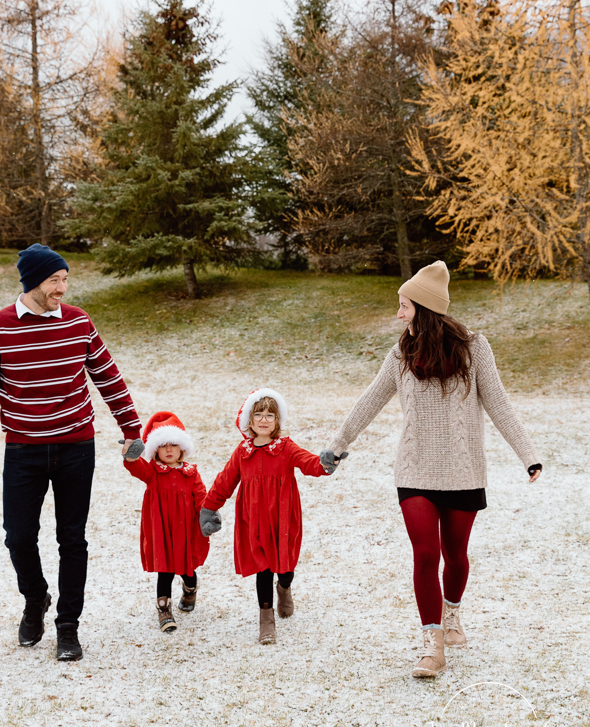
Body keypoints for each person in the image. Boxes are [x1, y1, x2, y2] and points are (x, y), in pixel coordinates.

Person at [320, 261, 541, 678]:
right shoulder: (400, 353)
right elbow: (370, 399)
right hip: (414, 470)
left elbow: (498, 403)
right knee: (426, 553)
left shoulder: (475, 348)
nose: (398, 314)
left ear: (422, 307)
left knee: (455, 555)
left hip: (463, 471)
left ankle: (452, 614)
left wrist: (527, 454)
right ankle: (432, 644)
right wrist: (337, 445)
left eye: (403, 306)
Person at [0, 243, 143, 661]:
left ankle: (68, 627)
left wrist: (131, 429)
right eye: (53, 281)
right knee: (19, 536)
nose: (62, 288)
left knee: (72, 539)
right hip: (24, 449)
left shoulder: (79, 322)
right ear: (31, 283)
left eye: (65, 279)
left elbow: (109, 378)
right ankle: (35, 600)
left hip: (76, 446)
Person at [200, 389, 333, 645]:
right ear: (249, 421)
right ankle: (266, 621)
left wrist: (324, 463)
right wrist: (209, 508)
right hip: (254, 521)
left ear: (277, 421)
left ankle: (284, 588)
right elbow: (224, 482)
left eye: (270, 415)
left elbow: (308, 462)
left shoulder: (285, 448)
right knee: (263, 568)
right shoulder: (243, 452)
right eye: (258, 414)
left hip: (283, 519)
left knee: (284, 568)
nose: (264, 420)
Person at [122, 411, 209, 634]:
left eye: (173, 444)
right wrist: (131, 456)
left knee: (187, 568)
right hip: (161, 530)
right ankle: (164, 609)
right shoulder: (153, 472)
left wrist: (206, 514)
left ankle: (190, 589)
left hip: (185, 529)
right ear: (155, 450)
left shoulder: (191, 473)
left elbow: (201, 496)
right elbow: (136, 467)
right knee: (165, 570)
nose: (168, 450)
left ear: (182, 448)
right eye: (163, 446)